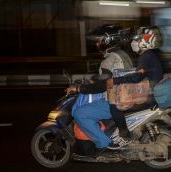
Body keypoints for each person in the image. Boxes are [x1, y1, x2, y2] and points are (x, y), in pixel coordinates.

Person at [67, 26, 163, 155]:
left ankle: (103, 143)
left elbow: (104, 85)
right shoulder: (124, 55)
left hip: (123, 97)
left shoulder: (111, 59)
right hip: (134, 94)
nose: (97, 44)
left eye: (99, 40)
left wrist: (79, 88)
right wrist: (95, 81)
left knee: (80, 113)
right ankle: (116, 132)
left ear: (107, 41)